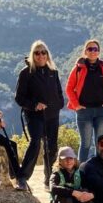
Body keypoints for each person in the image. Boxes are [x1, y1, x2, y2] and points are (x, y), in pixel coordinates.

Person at [15, 40, 65, 189]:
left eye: (44, 52)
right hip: (34, 115)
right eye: (37, 53)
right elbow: (19, 98)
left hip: (52, 115)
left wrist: (59, 105)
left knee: (52, 147)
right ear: (32, 55)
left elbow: (59, 93)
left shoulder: (53, 72)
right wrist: (35, 105)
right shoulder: (26, 73)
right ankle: (22, 177)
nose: (41, 55)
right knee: (35, 142)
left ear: (47, 54)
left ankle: (49, 180)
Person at [65, 39, 103, 163]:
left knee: (100, 144)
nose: (93, 51)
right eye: (90, 49)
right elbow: (69, 88)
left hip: (101, 111)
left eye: (95, 49)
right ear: (85, 52)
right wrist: (76, 105)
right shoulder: (78, 68)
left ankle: (98, 171)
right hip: (84, 112)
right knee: (86, 144)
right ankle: (81, 173)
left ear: (99, 52)